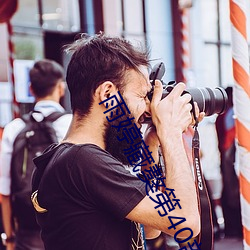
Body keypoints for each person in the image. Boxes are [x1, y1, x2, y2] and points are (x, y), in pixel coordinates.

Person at [31, 33, 202, 250]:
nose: (149, 109)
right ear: (107, 93)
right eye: (142, 96)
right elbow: (185, 223)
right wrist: (172, 133)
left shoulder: (69, 158)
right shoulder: (83, 161)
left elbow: (151, 228)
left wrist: (153, 141)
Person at [0, 59, 72, 250]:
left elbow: (5, 191)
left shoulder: (14, 128)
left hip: (27, 233)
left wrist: (9, 239)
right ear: (60, 88)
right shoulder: (71, 124)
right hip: (67, 230)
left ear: (31, 89)